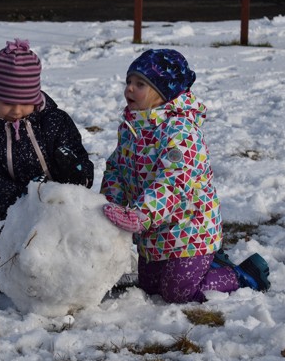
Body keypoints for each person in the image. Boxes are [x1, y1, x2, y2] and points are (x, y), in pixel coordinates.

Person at [100, 48, 270, 303]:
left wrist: (140, 215)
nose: (129, 90)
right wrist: (111, 203)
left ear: (163, 92)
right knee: (150, 287)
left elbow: (175, 182)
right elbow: (116, 168)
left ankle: (240, 275)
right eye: (128, 82)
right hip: (154, 233)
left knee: (178, 292)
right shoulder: (132, 128)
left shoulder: (181, 131)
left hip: (190, 229)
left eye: (140, 84)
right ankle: (207, 265)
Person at [0, 38, 95, 291]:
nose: (16, 111)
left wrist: (73, 169)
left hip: (58, 210)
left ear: (36, 97)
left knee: (66, 267)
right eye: (7, 103)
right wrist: (16, 200)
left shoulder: (55, 122)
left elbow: (82, 168)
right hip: (13, 211)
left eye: (24, 102)